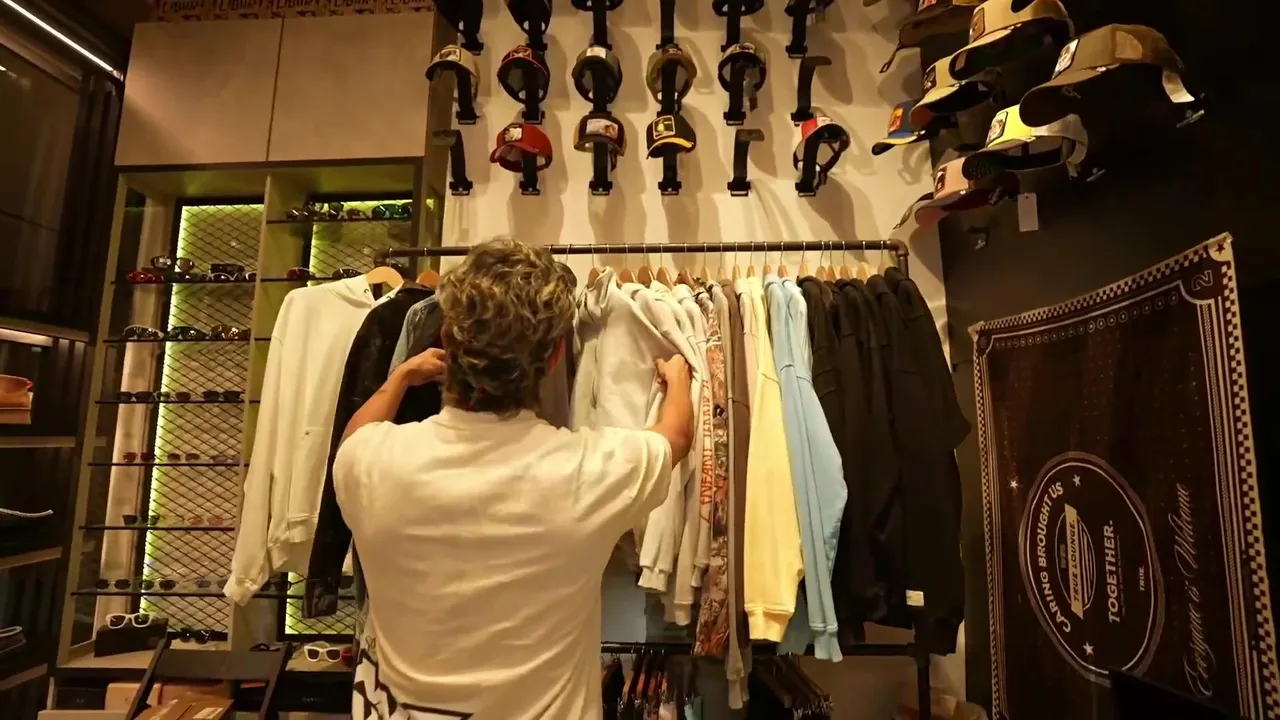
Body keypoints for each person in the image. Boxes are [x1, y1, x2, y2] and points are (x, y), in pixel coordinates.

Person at [333, 239, 695, 720]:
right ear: (555, 356)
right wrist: (679, 378)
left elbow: (354, 436)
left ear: (448, 340)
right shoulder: (589, 471)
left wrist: (397, 379)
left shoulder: (371, 463)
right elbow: (674, 438)